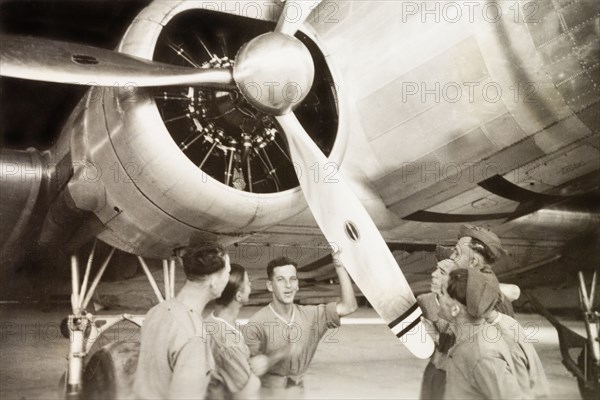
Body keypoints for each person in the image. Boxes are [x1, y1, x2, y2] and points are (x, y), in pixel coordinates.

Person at [419, 224, 519, 399]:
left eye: (457, 253)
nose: (452, 257)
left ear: (472, 262)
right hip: (439, 374)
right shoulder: (461, 291)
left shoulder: (493, 302)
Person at [245, 254, 357, 389]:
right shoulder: (256, 323)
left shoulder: (312, 315)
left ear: (297, 284)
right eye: (280, 280)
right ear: (270, 285)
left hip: (298, 390)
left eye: (292, 279)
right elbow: (247, 372)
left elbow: (348, 306)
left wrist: (340, 268)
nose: (288, 285)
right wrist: (279, 355)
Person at [134, 246, 231, 399]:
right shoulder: (193, 336)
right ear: (213, 281)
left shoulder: (157, 311)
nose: (228, 279)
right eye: (228, 273)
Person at [205, 263, 290, 399]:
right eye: (248, 283)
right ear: (238, 296)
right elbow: (247, 392)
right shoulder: (228, 343)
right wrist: (272, 359)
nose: (251, 286)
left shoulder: (211, 321)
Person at [439, 268, 523, 399]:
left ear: (455, 309)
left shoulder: (483, 355)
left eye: (441, 294)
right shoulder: (470, 338)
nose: (437, 298)